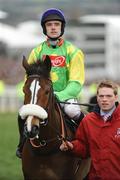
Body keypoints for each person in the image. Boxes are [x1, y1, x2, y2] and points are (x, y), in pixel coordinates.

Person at [16, 8, 85, 158]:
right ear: (44, 28)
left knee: (73, 112)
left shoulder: (73, 52)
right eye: (49, 25)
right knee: (22, 114)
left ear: (62, 27)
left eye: (56, 24)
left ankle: (89, 141)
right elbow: (29, 79)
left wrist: (58, 95)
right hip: (41, 98)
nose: (53, 27)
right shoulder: (36, 51)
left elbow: (76, 82)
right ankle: (22, 145)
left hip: (64, 97)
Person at [60, 80, 120, 179]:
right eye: (101, 96)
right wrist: (72, 146)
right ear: (97, 98)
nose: (104, 99)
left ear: (116, 97)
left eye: (109, 96)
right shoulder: (88, 121)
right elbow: (84, 148)